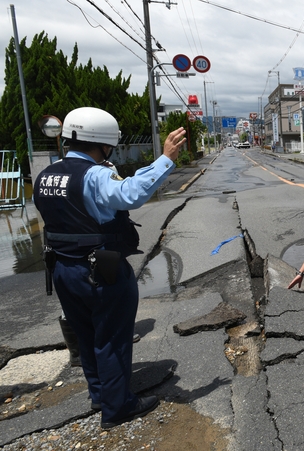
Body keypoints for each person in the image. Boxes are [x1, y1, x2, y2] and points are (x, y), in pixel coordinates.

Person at [33, 107, 186, 429]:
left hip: (62, 268)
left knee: (86, 336)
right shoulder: (95, 175)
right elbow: (130, 194)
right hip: (100, 268)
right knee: (112, 338)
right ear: (104, 143)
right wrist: (166, 158)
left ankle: (100, 394)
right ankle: (118, 408)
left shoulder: (47, 175)